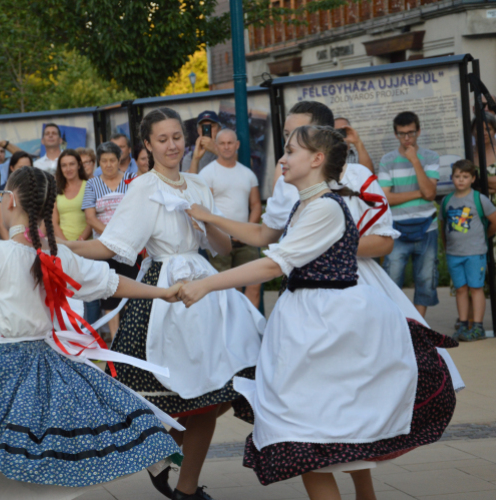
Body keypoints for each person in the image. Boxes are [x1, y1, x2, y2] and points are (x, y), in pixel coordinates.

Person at [180, 126, 456, 500]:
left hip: (327, 326)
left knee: (306, 439)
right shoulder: (306, 203)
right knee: (322, 433)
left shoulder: (325, 208)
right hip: (311, 321)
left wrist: (205, 284)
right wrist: (208, 216)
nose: (282, 159)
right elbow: (263, 235)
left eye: (290, 151)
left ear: (316, 159)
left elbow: (271, 265)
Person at [0, 167, 183, 500]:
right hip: (48, 362)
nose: (1, 199)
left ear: (11, 200)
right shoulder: (56, 255)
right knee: (45, 447)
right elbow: (112, 282)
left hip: (4, 364)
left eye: (1, 194)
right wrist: (163, 292)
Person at [64, 108, 265, 500]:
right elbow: (112, 246)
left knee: (218, 393)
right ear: (147, 145)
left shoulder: (198, 183)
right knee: (180, 395)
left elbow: (222, 247)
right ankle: (164, 456)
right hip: (165, 292)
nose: (172, 145)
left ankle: (182, 481)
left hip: (207, 287)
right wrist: (63, 247)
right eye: (163, 139)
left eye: (177, 136)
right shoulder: (142, 187)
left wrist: (204, 220)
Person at [198, 100, 465, 393]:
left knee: (370, 376)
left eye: (297, 133)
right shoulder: (288, 179)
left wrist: (325, 248)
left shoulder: (358, 176)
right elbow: (265, 235)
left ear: (320, 138)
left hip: (354, 284)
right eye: (287, 135)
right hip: (303, 288)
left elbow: (384, 242)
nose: (289, 142)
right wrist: (212, 219)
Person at [379, 111, 440, 318]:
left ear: (419, 131)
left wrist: (415, 161)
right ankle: (397, 320)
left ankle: (419, 323)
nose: (407, 138)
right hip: (396, 228)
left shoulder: (430, 157)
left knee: (425, 279)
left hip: (427, 227)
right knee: (391, 278)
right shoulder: (387, 160)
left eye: (411, 133)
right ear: (396, 134)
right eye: (402, 134)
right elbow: (387, 199)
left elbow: (431, 194)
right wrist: (420, 193)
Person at [199, 129, 262, 308]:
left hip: (246, 239)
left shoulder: (247, 173)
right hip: (220, 239)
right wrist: (222, 232)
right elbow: (206, 208)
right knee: (226, 289)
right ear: (216, 146)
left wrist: (246, 231)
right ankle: (231, 332)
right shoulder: (207, 173)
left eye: (230, 143)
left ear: (237, 145)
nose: (226, 147)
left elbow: (256, 205)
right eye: (222, 143)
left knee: (254, 284)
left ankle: (250, 329)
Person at [440, 159, 496, 342]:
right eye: (457, 176)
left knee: (476, 288)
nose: (460, 180)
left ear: (473, 179)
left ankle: (478, 326)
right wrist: (446, 247)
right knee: (461, 289)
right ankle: (464, 323)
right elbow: (443, 225)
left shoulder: (479, 199)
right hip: (454, 254)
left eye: (465, 177)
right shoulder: (446, 200)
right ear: (452, 178)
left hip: (475, 253)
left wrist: (482, 238)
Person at [80, 142, 138, 338]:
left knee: (132, 291)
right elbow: (90, 218)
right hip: (103, 246)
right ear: (99, 162)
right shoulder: (92, 184)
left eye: (112, 160)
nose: (108, 164)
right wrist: (113, 236)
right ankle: (115, 339)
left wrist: (124, 237)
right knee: (109, 292)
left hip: (130, 245)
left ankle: (132, 337)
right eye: (104, 161)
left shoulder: (132, 180)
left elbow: (138, 212)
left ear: (119, 160)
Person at [471, 112, 496, 333]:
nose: (483, 133)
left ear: (495, 130)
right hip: (475, 214)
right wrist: (490, 182)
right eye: (479, 129)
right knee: (480, 266)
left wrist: (480, 182)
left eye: (488, 129)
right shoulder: (471, 153)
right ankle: (477, 321)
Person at [52, 149, 90, 241]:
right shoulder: (55, 189)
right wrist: (66, 245)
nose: (68, 169)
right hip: (63, 246)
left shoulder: (90, 186)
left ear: (79, 165)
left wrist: (79, 241)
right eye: (64, 165)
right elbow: (53, 222)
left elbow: (93, 219)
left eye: (72, 164)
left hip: (86, 245)